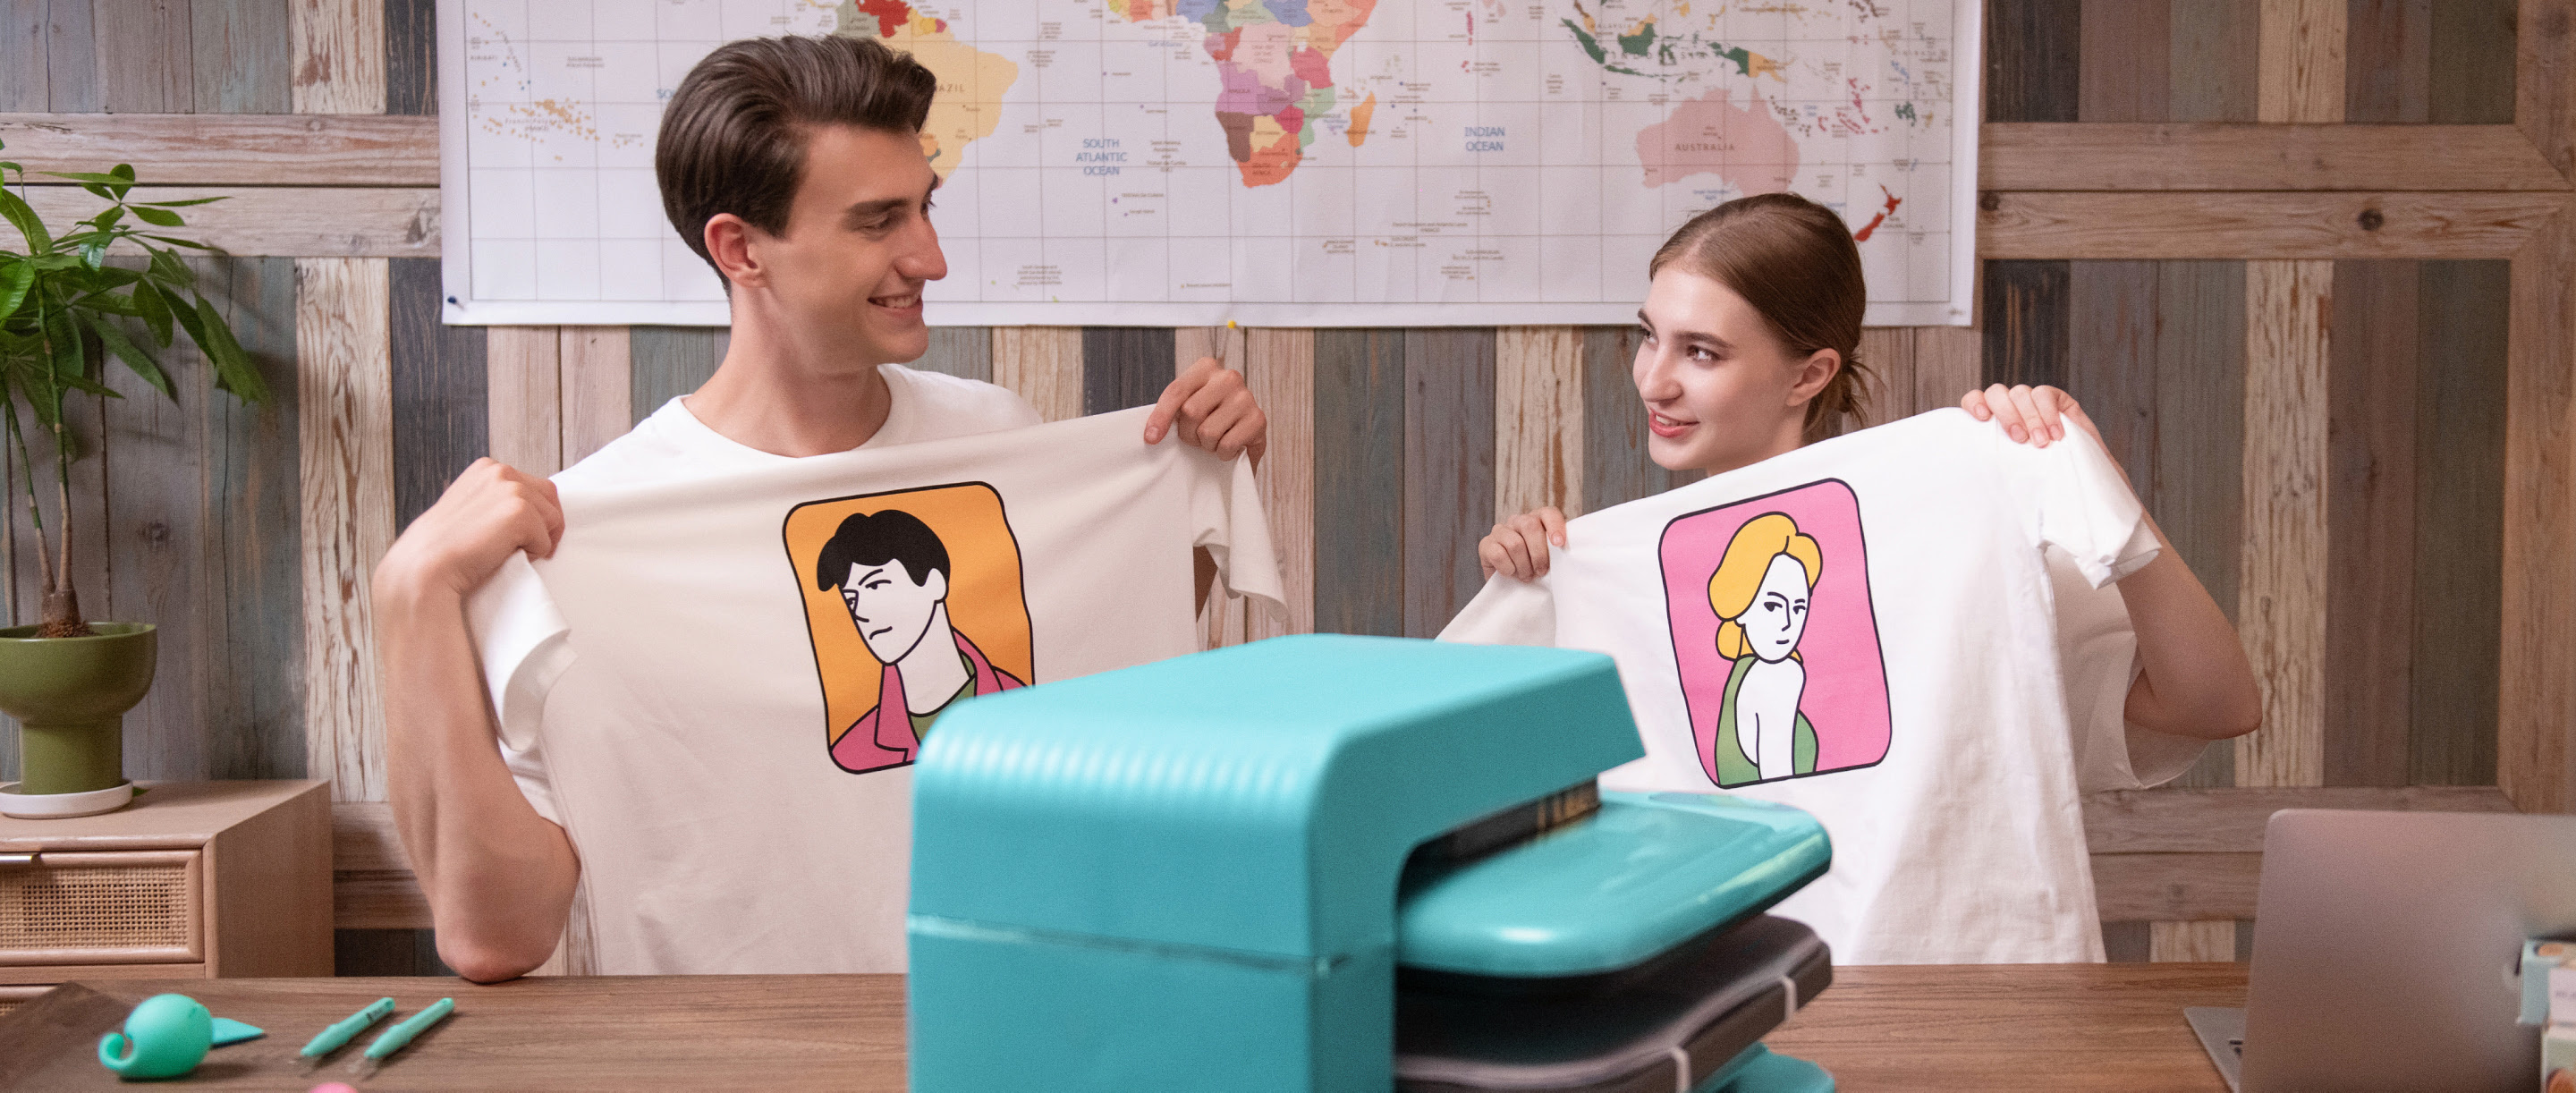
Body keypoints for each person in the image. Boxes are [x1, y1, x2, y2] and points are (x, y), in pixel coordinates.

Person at [373, 36, 1267, 982]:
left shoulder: (992, 441)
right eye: (878, 221)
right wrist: (409, 599)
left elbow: (1095, 660)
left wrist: (1205, 476)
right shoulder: (587, 534)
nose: (931, 256)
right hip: (742, 1060)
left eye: (925, 207)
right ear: (740, 247)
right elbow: (496, 936)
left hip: (1004, 1030)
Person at [1471, 191, 2262, 959]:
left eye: (1701, 351)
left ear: (1809, 375)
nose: (1654, 380)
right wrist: (1538, 586)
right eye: (1650, 337)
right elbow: (1471, 788)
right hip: (1705, 1004)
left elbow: (2216, 704)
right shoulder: (1609, 571)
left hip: (1939, 1009)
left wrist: (2103, 491)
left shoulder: (1957, 534)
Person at [815, 508, 1024, 773]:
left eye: (876, 585)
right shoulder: (852, 752)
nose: (860, 613)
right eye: (851, 599)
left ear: (934, 584)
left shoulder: (1023, 706)